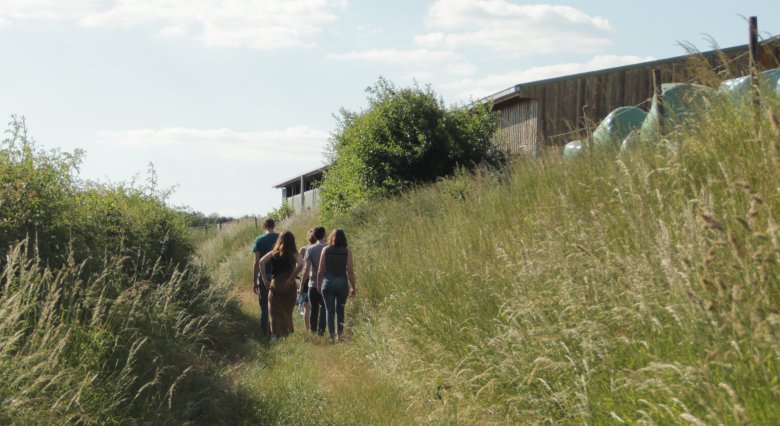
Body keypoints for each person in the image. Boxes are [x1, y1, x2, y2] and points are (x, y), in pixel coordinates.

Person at [258, 231, 304, 338]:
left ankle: (274, 336)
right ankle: (285, 335)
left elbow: (261, 262)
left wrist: (265, 280)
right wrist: (291, 278)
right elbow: (301, 264)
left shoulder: (274, 253)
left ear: (280, 240)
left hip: (275, 285)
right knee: (287, 311)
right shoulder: (294, 254)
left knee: (274, 313)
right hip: (289, 286)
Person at [317, 228, 356, 341]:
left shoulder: (326, 250)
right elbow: (350, 271)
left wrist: (319, 285)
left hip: (328, 283)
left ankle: (332, 336)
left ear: (331, 238)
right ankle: (340, 334)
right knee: (340, 310)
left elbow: (320, 270)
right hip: (341, 283)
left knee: (330, 310)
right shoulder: (347, 251)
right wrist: (353, 287)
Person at [252, 218, 278, 337]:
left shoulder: (259, 240)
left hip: (263, 274)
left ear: (264, 227)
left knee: (264, 306)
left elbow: (256, 262)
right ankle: (277, 332)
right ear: (274, 226)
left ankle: (265, 333)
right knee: (277, 304)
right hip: (278, 275)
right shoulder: (280, 239)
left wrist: (254, 281)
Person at [302, 226, 327, 335]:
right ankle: (321, 331)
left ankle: (312, 331)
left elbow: (306, 269)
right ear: (324, 235)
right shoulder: (329, 247)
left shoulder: (310, 249)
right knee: (324, 308)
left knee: (314, 309)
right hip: (326, 283)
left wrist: (302, 284)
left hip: (312, 283)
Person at [297, 229, 316, 331]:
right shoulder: (321, 248)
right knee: (316, 305)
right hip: (317, 279)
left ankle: (308, 330)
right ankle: (315, 328)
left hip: (305, 279)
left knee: (306, 306)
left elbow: (299, 267)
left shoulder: (303, 250)